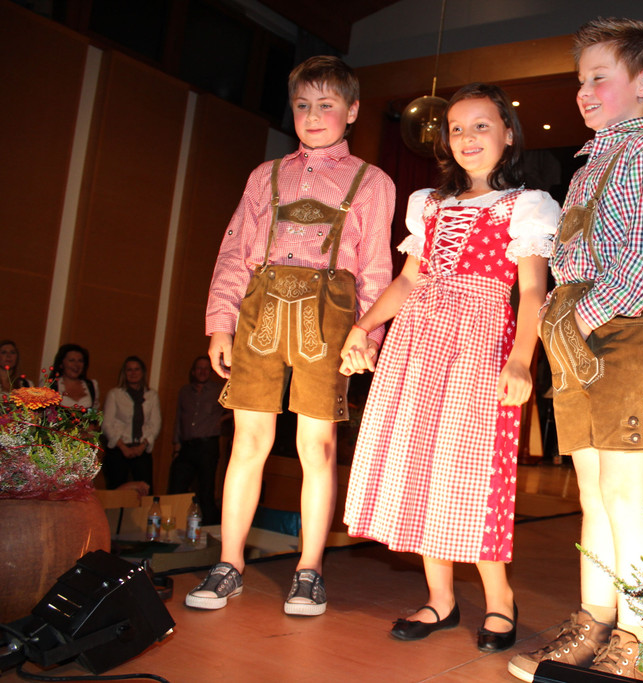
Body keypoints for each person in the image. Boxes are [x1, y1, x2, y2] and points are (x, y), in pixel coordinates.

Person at [508, 18, 643, 683]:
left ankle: (642, 642)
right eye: (580, 80)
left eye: (599, 78)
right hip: (580, 328)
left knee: (624, 493)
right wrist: (559, 325)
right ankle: (594, 625)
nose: (584, 91)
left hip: (630, 327)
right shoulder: (591, 163)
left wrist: (578, 320)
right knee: (591, 493)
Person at [341, 83, 558, 652]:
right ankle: (440, 598)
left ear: (508, 134)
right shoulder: (429, 204)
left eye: (481, 125)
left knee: (475, 469)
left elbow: (532, 292)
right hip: (419, 339)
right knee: (420, 463)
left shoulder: (527, 205)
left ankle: (500, 599)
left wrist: (521, 360)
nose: (467, 137)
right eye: (456, 128)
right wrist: (363, 327)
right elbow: (408, 280)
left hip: (482, 339)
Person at [186, 55, 395, 617]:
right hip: (261, 309)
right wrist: (220, 323)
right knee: (247, 443)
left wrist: (367, 335)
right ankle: (229, 564)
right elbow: (234, 252)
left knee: (317, 446)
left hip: (331, 317)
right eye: (303, 105)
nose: (313, 115)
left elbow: (376, 268)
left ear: (352, 110)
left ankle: (309, 571)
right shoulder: (265, 176)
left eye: (327, 104)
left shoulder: (373, 182)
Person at [168, 356, 228, 524]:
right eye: (199, 368)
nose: (202, 371)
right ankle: (174, 523)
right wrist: (176, 445)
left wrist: (221, 420)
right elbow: (179, 418)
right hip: (187, 446)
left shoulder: (218, 390)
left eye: (206, 368)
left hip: (208, 446)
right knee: (177, 487)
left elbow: (236, 409)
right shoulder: (185, 392)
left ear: (210, 371)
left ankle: (209, 527)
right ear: (193, 371)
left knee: (206, 490)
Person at [102, 356, 162, 490]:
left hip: (141, 449)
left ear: (142, 372)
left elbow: (155, 425)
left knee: (144, 491)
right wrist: (123, 447)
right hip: (119, 449)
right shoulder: (115, 394)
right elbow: (107, 424)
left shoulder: (152, 396)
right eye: (129, 370)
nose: (133, 373)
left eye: (136, 369)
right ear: (124, 373)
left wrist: (141, 447)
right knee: (117, 491)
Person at [47, 343, 99, 409]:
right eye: (72, 360)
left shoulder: (92, 386)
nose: (76, 365)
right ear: (61, 364)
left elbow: (95, 411)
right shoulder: (50, 385)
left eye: (80, 361)